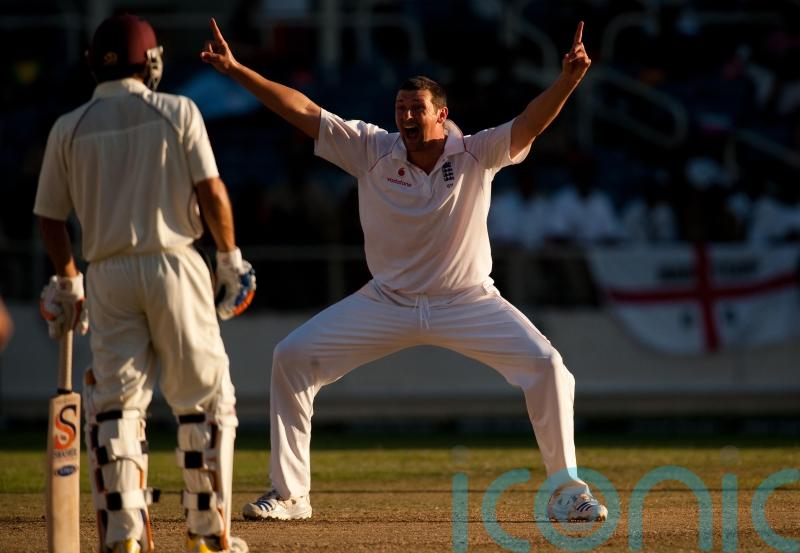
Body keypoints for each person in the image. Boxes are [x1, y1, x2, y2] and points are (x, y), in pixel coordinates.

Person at [202, 18, 607, 523]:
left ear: (442, 115)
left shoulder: (476, 152)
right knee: (292, 357)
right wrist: (237, 70)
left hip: (468, 301)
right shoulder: (372, 148)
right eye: (400, 109)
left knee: (548, 368)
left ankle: (567, 492)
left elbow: (528, 124)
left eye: (417, 110)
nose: (406, 118)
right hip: (386, 302)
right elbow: (302, 109)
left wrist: (567, 80)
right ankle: (290, 494)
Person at [34, 14, 255, 553]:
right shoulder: (177, 110)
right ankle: (207, 535)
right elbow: (213, 192)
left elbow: (48, 216)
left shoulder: (69, 125)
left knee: (116, 406)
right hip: (174, 262)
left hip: (106, 272)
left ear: (93, 65)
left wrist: (68, 279)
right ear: (153, 62)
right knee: (204, 401)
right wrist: (229, 260)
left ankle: (125, 537)